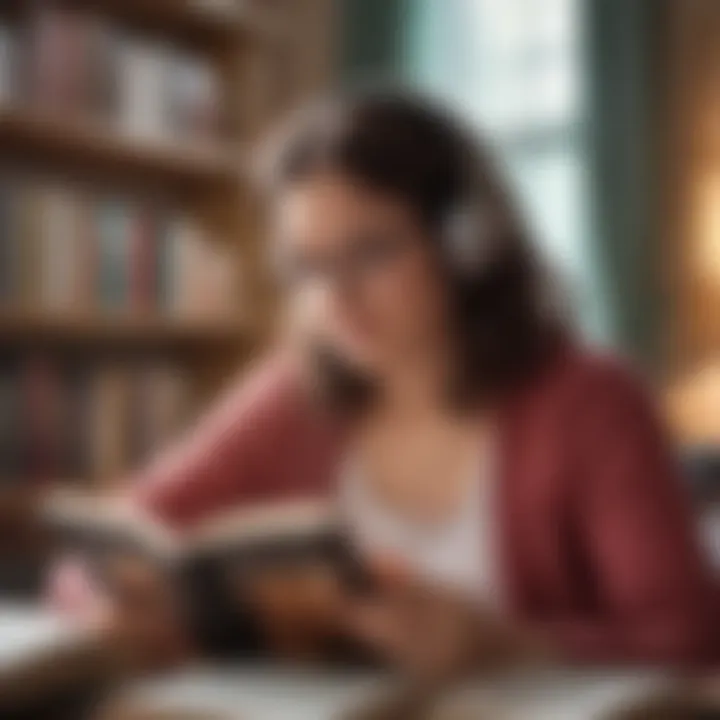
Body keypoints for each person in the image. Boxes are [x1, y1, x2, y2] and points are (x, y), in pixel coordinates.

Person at [51, 90, 718, 676]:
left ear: (467, 243)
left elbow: (687, 638)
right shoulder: (293, 392)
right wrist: (106, 602)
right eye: (307, 268)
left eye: (369, 252)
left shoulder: (592, 401)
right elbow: (121, 536)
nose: (335, 300)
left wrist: (505, 643)